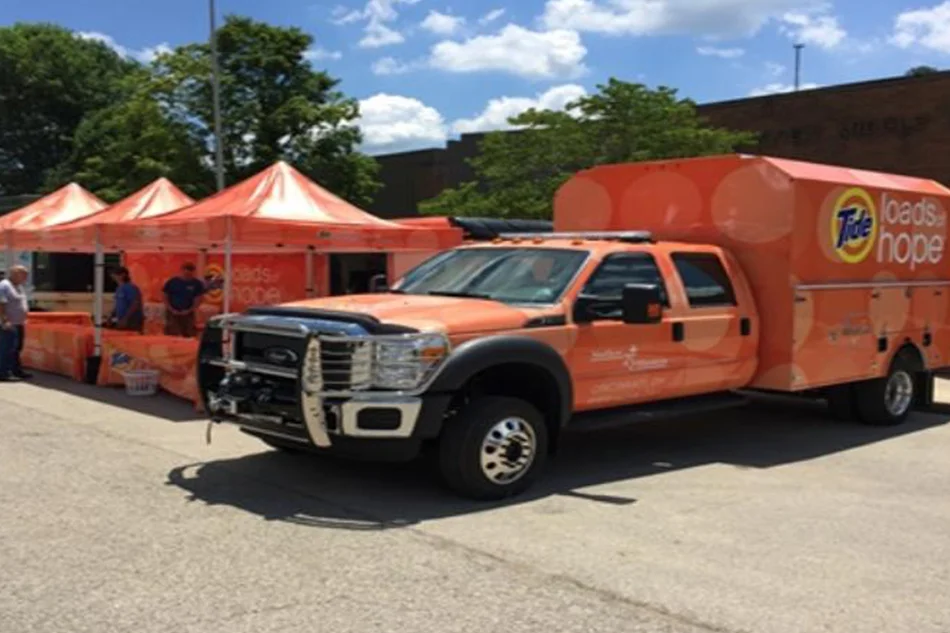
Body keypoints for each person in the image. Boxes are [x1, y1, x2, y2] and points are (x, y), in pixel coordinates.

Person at [0, 265, 31, 381]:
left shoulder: (18, 286)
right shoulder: (4, 286)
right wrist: (5, 320)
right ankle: (3, 372)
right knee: (7, 348)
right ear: (14, 273)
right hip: (8, 323)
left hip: (19, 322)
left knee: (17, 347)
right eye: (23, 274)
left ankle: (16, 370)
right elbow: (1, 303)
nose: (26, 277)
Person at [163, 262, 205, 337]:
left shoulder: (197, 284)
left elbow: (198, 299)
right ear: (181, 271)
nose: (187, 275)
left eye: (190, 273)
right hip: (173, 312)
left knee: (189, 333)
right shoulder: (172, 282)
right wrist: (171, 309)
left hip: (188, 313)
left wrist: (189, 310)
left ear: (193, 272)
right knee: (173, 333)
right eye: (185, 273)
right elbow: (165, 296)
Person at [109, 267, 144, 332]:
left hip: (132, 320)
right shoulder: (119, 288)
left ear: (123, 275)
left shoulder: (130, 287)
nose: (114, 278)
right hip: (121, 319)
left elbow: (135, 304)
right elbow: (118, 305)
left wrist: (126, 318)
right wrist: (111, 316)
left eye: (116, 275)